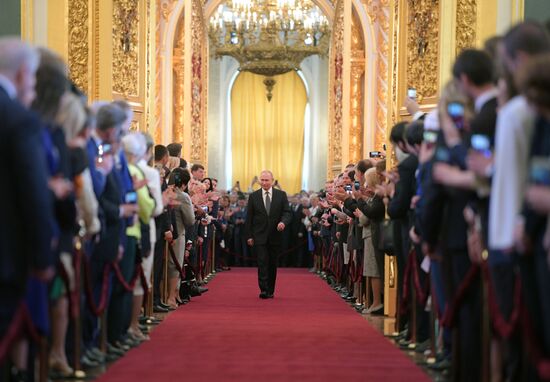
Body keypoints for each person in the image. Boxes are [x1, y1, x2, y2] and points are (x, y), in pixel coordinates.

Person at [245, 170, 291, 299]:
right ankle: (264, 289)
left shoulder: (281, 195)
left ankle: (271, 289)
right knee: (262, 262)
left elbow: (287, 212)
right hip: (259, 235)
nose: (264, 183)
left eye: (267, 180)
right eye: (262, 180)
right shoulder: (253, 196)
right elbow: (249, 217)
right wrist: (249, 236)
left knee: (272, 263)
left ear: (272, 181)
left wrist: (283, 222)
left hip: (275, 235)